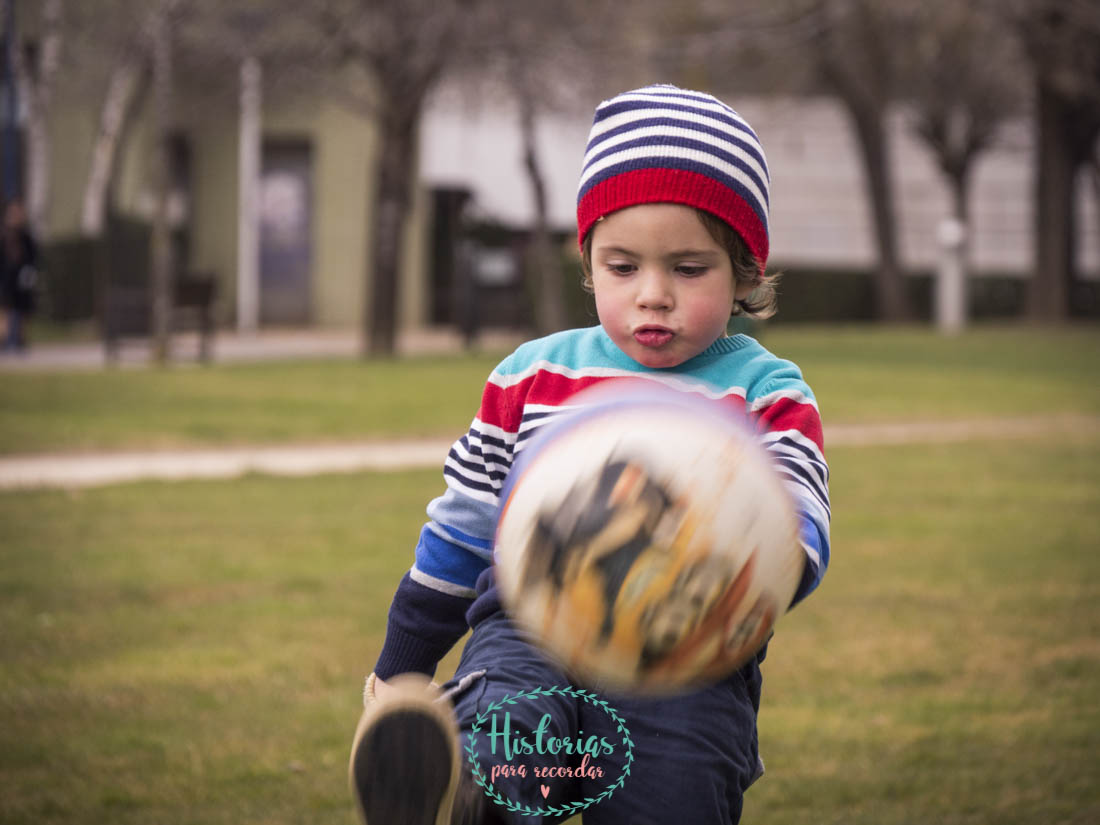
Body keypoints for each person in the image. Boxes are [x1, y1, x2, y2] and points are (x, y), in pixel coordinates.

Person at [349, 84, 831, 825]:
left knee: (678, 795)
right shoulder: (530, 377)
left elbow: (798, 523)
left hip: (686, 656)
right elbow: (461, 532)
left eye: (688, 268)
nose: (653, 294)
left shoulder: (767, 392)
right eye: (622, 266)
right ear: (589, 261)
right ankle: (475, 788)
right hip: (530, 621)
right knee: (511, 727)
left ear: (744, 270)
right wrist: (400, 669)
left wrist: (751, 552)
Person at [0, 199, 39, 353]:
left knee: (22, 308)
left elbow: (33, 256)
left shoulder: (26, 236)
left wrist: (30, 271)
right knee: (6, 308)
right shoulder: (4, 235)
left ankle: (20, 340)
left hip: (22, 278)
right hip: (6, 278)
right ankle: (5, 340)